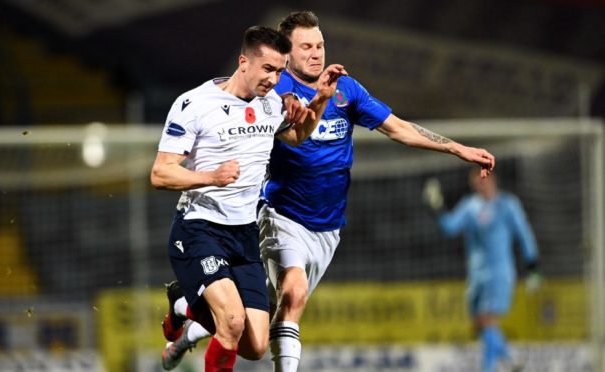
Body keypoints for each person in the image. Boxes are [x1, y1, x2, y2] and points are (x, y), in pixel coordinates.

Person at [163, 11, 495, 372]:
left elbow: (398, 128)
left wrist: (458, 149)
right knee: (294, 293)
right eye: (306, 46)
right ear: (286, 53)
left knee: (255, 330)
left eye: (320, 45)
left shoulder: (345, 91)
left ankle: (189, 315)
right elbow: (239, 110)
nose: (317, 53)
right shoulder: (273, 92)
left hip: (327, 228)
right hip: (280, 216)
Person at [151, 24, 346, 371]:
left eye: (280, 71)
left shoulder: (273, 105)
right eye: (267, 69)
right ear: (244, 62)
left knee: (255, 345)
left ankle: (183, 303)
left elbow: (298, 136)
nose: (274, 79)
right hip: (199, 229)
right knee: (231, 320)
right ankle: (192, 306)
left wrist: (321, 99)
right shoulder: (195, 104)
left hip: (244, 235)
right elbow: (160, 173)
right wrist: (210, 176)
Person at [422, 169, 540, 372]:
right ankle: (507, 361)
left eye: (483, 179)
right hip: (477, 275)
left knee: (487, 319)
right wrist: (437, 207)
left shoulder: (507, 205)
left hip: (499, 273)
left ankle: (499, 364)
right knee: (480, 325)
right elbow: (449, 228)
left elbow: (524, 233)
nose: (480, 184)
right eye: (476, 181)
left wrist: (533, 267)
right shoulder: (470, 206)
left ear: (492, 179)